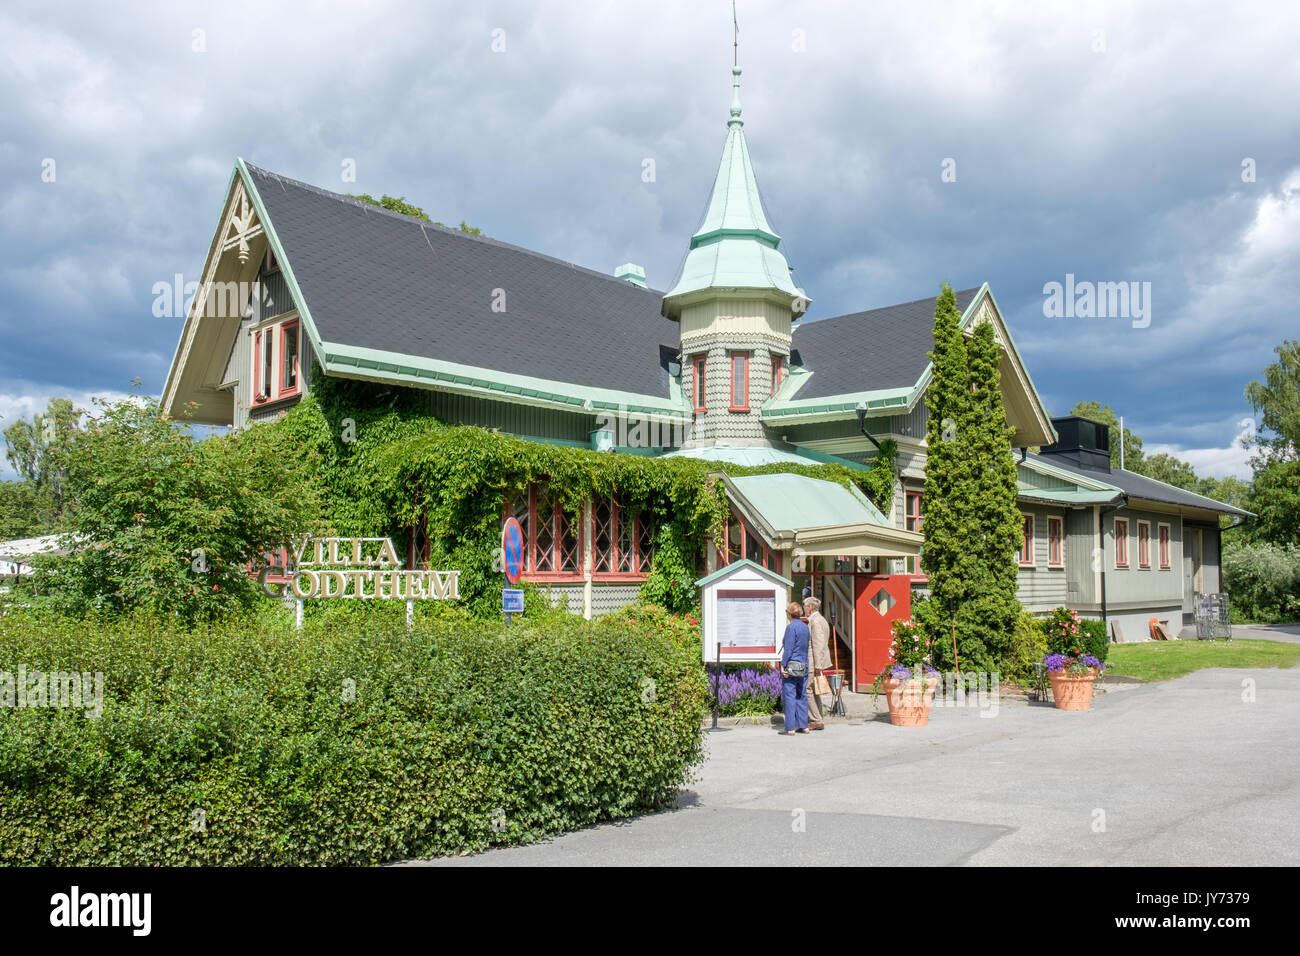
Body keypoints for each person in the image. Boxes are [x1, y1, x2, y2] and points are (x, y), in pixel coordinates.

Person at [779, 601, 811, 735]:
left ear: (789, 614)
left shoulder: (791, 628)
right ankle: (804, 726)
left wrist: (783, 664)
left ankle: (790, 727)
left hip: (792, 665)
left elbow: (789, 649)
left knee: (790, 695)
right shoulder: (805, 627)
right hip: (804, 664)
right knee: (802, 695)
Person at [803, 597, 831, 730]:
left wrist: (818, 665)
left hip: (814, 660)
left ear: (809, 608)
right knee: (814, 690)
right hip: (816, 660)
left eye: (804, 606)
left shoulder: (815, 621)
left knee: (807, 688)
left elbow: (818, 644)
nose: (803, 609)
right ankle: (818, 717)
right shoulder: (820, 619)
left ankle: (816, 719)